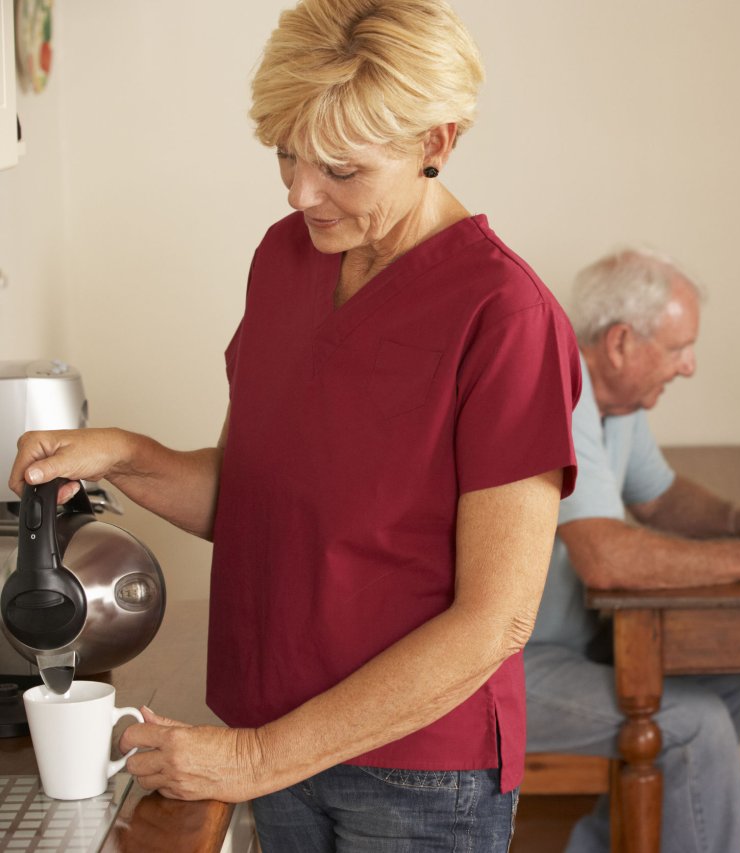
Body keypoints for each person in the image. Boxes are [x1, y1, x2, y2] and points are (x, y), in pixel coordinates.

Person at [7, 1, 580, 850]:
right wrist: (122, 455)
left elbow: (496, 621)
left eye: (341, 169)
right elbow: (258, 497)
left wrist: (255, 758)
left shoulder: (507, 316)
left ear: (436, 142)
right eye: (287, 152)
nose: (300, 192)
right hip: (269, 725)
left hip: (416, 772)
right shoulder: (285, 258)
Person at [523, 246, 740, 853]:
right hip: (504, 663)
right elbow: (606, 559)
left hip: (573, 639)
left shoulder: (616, 404)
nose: (689, 366)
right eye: (678, 349)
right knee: (696, 725)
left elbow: (659, 498)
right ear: (620, 343)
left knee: (727, 686)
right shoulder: (558, 392)